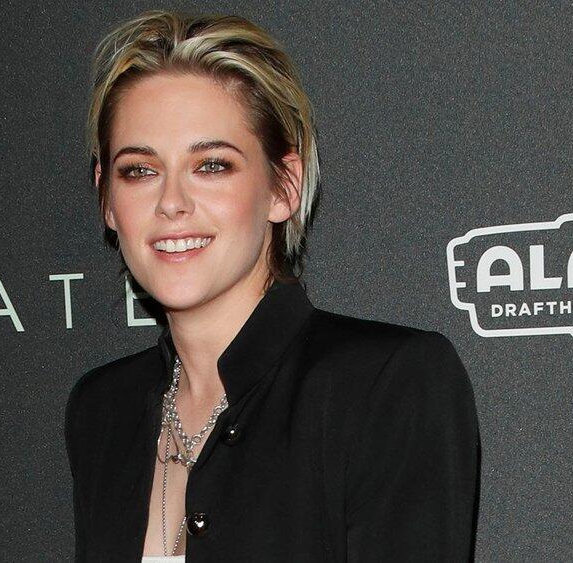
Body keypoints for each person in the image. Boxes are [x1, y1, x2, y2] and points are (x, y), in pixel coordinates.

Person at [65, 9, 480, 562]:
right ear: (107, 199)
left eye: (212, 165)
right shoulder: (102, 410)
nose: (171, 203)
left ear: (284, 187)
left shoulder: (386, 385)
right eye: (139, 170)